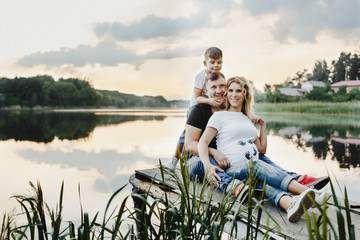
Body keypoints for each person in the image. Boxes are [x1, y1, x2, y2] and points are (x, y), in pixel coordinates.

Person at [197, 76, 330, 222]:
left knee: (260, 181)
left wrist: (263, 126)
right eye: (230, 91)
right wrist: (208, 166)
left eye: (238, 91)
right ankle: (309, 193)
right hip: (234, 170)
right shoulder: (219, 116)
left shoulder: (247, 118)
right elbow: (203, 143)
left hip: (254, 172)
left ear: (245, 94)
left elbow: (261, 149)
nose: (234, 95)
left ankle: (289, 204)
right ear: (227, 93)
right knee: (255, 165)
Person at [167, 47, 224, 170]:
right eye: (212, 62)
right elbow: (197, 97)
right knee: (186, 135)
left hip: (210, 107)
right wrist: (210, 101)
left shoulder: (219, 77)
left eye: (219, 62)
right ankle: (175, 158)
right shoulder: (201, 76)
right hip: (196, 108)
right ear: (205, 63)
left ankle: (203, 153)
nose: (216, 65)